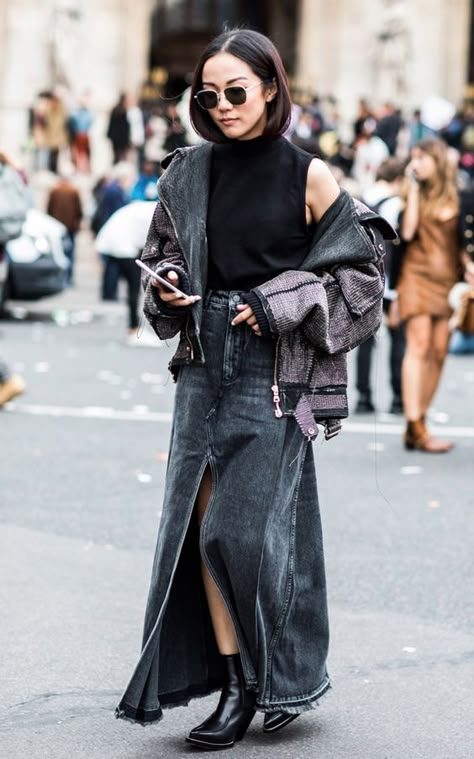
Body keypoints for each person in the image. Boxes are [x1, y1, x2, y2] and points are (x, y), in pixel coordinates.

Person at [115, 29, 392, 749]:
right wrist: (170, 288)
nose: (222, 104)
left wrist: (286, 299)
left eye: (236, 90)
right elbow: (162, 259)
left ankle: (275, 676)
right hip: (202, 360)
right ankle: (238, 684)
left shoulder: (312, 176)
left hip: (275, 372)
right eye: (208, 94)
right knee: (199, 530)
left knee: (239, 531)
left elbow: (363, 282)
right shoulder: (188, 171)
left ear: (271, 87)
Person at [397, 138, 463, 451]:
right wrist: (411, 187)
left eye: (422, 158)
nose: (416, 164)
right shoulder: (412, 193)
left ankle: (420, 419)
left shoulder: (459, 195)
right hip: (416, 277)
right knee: (419, 344)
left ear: (437, 161)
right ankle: (414, 423)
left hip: (448, 282)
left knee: (439, 350)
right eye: (413, 158)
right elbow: (407, 233)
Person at [354, 158, 406, 414]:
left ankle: (364, 397)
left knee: (366, 342)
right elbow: (399, 247)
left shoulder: (363, 198)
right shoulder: (396, 204)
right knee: (399, 339)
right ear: (398, 179)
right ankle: (398, 398)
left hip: (364, 281)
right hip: (390, 283)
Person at [46, 172, 83, 285]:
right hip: (70, 226)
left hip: (56, 227)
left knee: (58, 252)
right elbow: (79, 210)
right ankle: (68, 277)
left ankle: (59, 277)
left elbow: (49, 209)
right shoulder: (74, 191)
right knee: (70, 253)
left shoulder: (54, 191)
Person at [106, 94, 130, 164]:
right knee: (119, 154)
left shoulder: (118, 110)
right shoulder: (122, 110)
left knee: (117, 154)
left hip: (117, 136)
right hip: (120, 137)